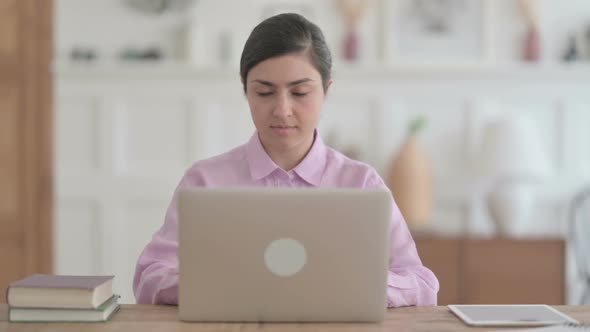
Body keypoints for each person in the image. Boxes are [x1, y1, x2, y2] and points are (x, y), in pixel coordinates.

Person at [133, 13, 439, 307]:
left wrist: (358, 285)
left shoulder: (362, 184)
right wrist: (212, 285)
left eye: (300, 92)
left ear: (325, 90)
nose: (282, 110)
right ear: (245, 89)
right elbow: (149, 276)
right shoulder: (203, 181)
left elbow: (421, 283)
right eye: (265, 92)